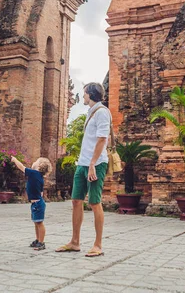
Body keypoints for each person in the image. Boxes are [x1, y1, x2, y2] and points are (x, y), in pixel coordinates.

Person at [56, 82, 110, 257]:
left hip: (96, 164)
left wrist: (93, 164)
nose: (83, 96)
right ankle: (75, 242)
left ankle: (98, 245)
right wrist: (85, 163)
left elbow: (102, 139)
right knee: (76, 201)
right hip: (83, 163)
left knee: (94, 202)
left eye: (85, 93)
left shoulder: (102, 112)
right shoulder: (91, 112)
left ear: (91, 94)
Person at [11, 156, 52, 250]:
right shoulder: (39, 176)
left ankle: (41, 242)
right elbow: (41, 192)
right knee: (36, 222)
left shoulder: (34, 173)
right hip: (36, 203)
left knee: (39, 223)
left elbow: (22, 167)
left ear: (39, 166)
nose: (34, 162)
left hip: (38, 204)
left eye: (36, 161)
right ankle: (38, 240)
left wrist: (15, 160)